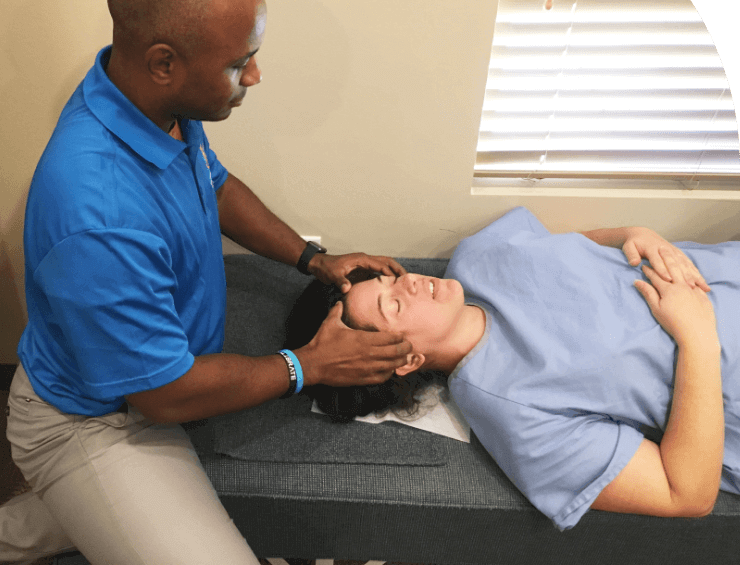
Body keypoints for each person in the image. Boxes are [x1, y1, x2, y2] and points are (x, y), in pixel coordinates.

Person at [1, 0, 411, 565]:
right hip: (95, 423)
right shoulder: (97, 211)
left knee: (57, 527)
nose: (254, 74)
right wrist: (311, 364)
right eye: (237, 62)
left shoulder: (147, 100)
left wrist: (312, 258)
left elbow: (214, 187)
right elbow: (164, 395)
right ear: (165, 62)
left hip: (148, 379)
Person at [285, 206, 739, 531]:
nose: (407, 280)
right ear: (406, 360)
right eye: (395, 304)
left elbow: (576, 249)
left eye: (388, 278)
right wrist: (697, 335)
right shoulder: (513, 412)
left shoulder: (480, 253)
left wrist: (635, 234)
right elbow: (686, 493)